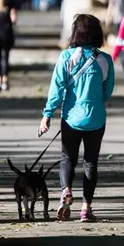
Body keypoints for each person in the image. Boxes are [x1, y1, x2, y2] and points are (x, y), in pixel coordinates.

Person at [39, 14, 115, 223]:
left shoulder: (66, 57)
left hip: (71, 118)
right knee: (91, 163)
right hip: (96, 119)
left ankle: (66, 191)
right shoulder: (106, 60)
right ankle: (85, 209)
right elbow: (107, 92)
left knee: (67, 158)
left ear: (76, 33)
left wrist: (47, 114)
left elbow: (56, 89)